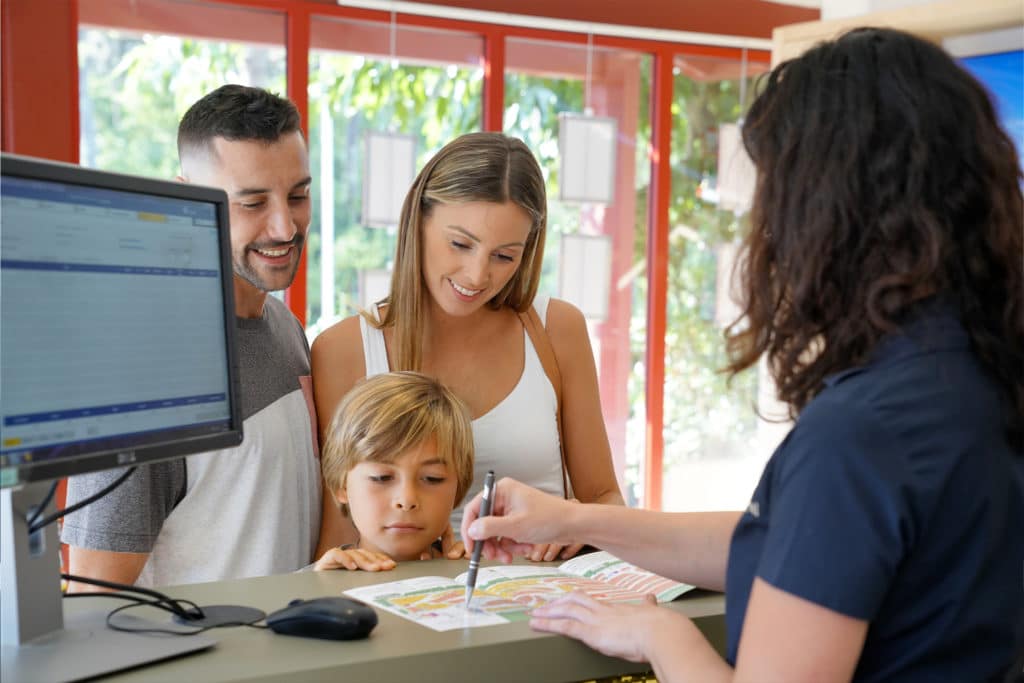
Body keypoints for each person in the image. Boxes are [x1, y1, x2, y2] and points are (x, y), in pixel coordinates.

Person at [462, 28, 1024, 682]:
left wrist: (658, 634)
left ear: (825, 211)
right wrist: (578, 519)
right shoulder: (975, 375)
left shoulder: (862, 433)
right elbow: (801, 547)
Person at [312, 131, 624, 563]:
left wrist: (577, 521)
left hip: (550, 600)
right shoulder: (343, 350)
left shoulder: (557, 329)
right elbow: (340, 530)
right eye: (460, 244)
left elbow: (605, 497)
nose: (478, 275)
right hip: (409, 609)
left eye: (505, 256)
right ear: (418, 221)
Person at [62, 85, 321, 588]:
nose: (286, 227)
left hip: (291, 661)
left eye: (298, 196)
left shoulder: (287, 329)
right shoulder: (145, 370)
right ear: (186, 197)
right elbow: (95, 594)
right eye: (252, 203)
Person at [312, 371, 474, 571]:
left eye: (433, 479)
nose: (406, 501)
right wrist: (318, 589)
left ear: (458, 487)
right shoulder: (319, 575)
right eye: (382, 478)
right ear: (342, 485)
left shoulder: (475, 571)